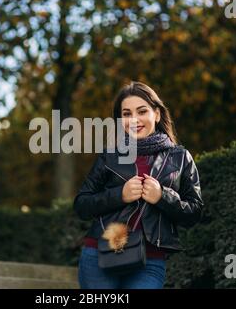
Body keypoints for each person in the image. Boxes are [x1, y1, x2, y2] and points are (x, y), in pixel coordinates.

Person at [74, 81, 203, 289]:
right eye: (126, 114)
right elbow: (81, 205)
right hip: (100, 254)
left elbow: (195, 212)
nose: (134, 120)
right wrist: (120, 195)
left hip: (150, 262)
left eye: (142, 111)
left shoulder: (180, 157)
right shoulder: (110, 156)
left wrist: (163, 196)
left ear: (157, 114)